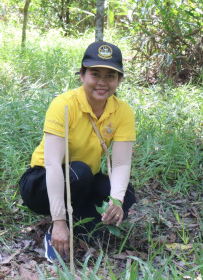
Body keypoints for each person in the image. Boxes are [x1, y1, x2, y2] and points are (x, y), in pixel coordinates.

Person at [19, 41, 136, 263]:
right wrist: (59, 220)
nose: (102, 82)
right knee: (79, 172)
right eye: (95, 74)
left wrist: (117, 201)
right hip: (41, 182)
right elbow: (53, 164)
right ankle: (58, 229)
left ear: (119, 80)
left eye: (110, 76)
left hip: (82, 182)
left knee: (125, 193)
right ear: (82, 75)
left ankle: (80, 232)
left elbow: (120, 164)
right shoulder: (63, 104)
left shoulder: (123, 112)